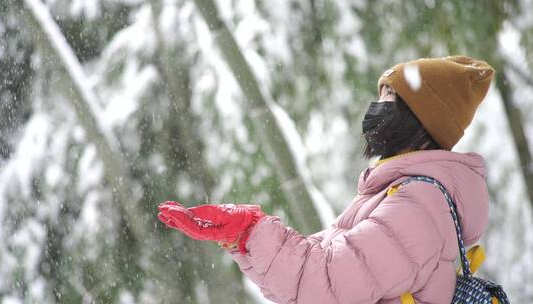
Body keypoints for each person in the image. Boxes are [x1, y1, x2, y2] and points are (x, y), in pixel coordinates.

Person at [157, 55, 495, 303]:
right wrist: (243, 236)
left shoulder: (418, 207)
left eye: (389, 99)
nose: (376, 109)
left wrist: (250, 229)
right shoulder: (394, 195)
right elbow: (309, 272)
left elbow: (325, 283)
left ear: (420, 120)